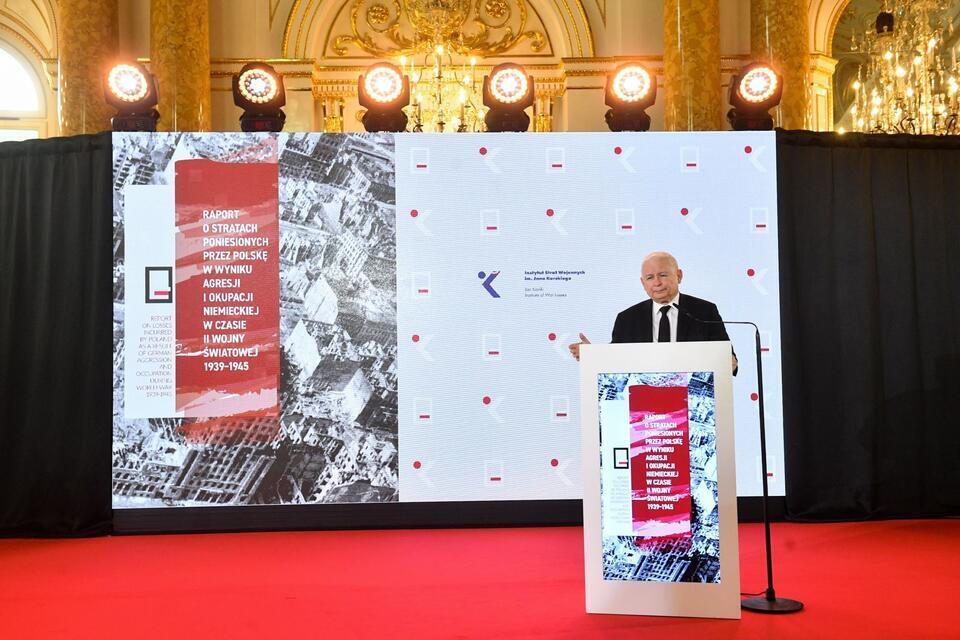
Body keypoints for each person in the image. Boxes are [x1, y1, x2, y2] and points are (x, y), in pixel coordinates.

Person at [568, 251, 738, 373]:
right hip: (644, 405)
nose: (657, 283)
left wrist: (730, 362)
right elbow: (616, 362)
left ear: (679, 275)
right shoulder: (627, 319)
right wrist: (592, 356)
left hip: (692, 402)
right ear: (643, 283)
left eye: (663, 275)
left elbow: (726, 355)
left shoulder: (704, 312)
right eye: (650, 278)